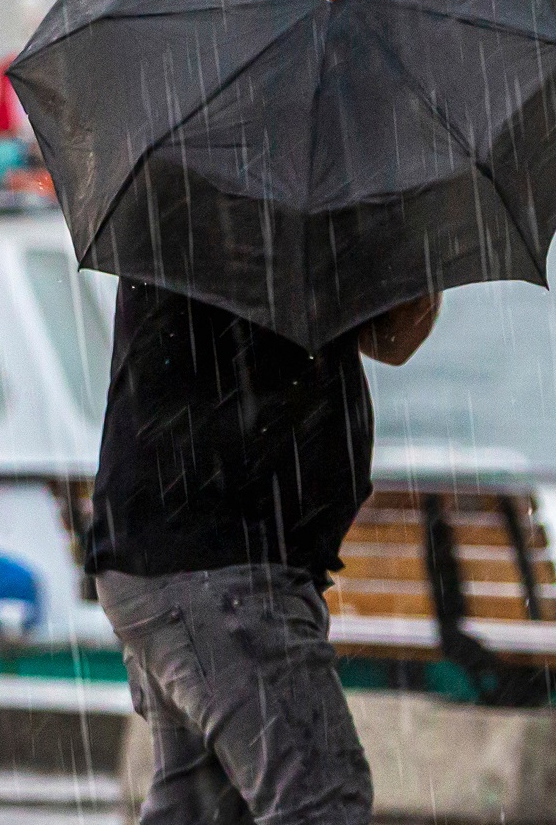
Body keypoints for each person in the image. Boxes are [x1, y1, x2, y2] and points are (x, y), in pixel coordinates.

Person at [87, 282, 442, 825]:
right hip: (218, 564)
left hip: (179, 555)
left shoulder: (237, 213)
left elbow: (390, 337)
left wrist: (418, 247)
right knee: (321, 800)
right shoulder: (253, 210)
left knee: (205, 810)